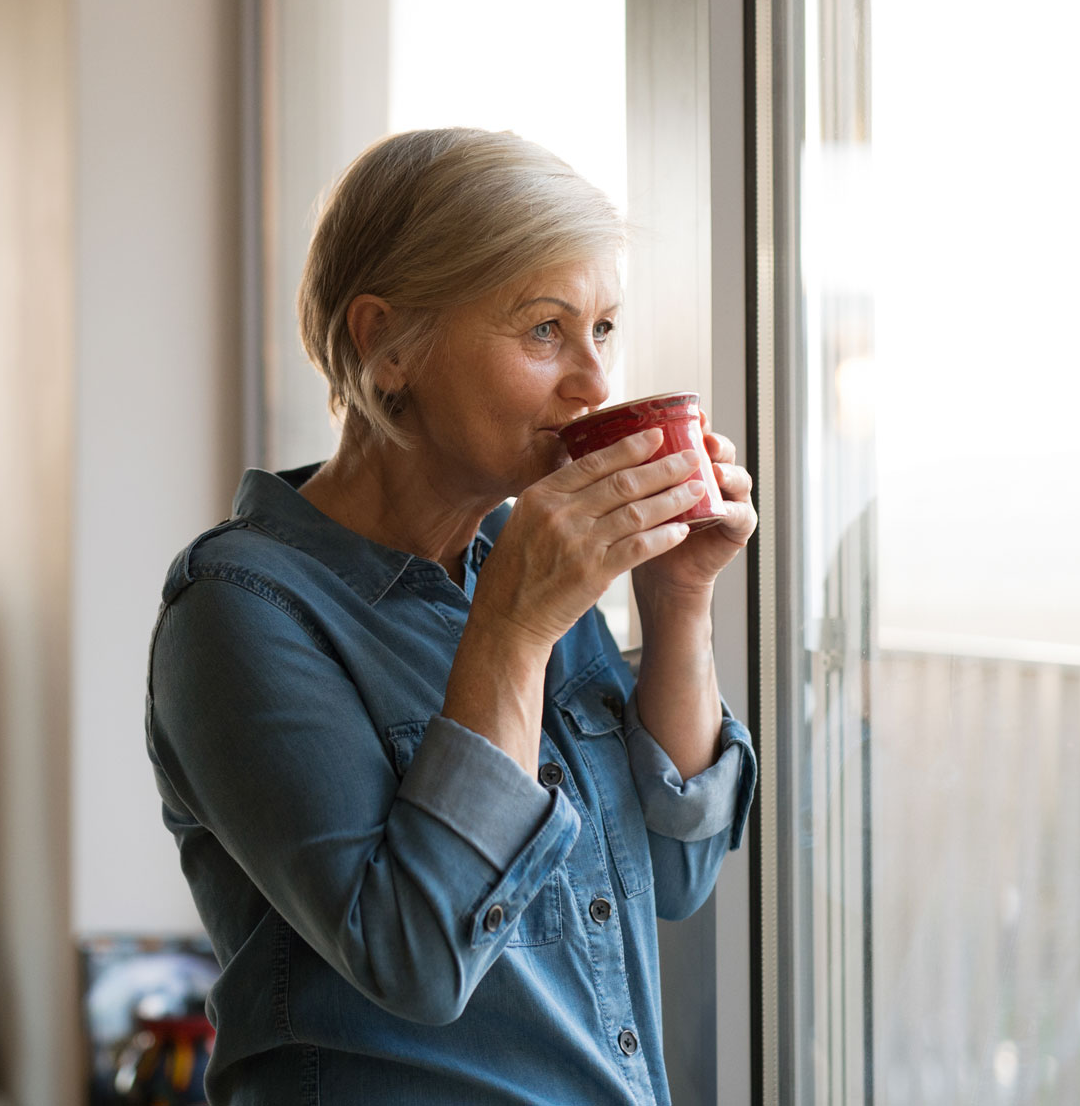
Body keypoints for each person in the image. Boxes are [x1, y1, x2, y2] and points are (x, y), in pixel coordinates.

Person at [144, 128, 758, 1106]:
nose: (594, 384)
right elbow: (417, 959)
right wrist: (511, 634)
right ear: (385, 344)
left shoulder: (518, 560)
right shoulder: (240, 612)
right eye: (544, 330)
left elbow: (676, 871)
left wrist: (679, 599)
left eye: (603, 329)